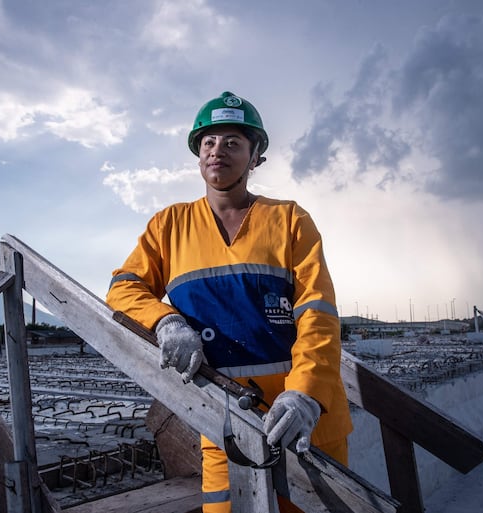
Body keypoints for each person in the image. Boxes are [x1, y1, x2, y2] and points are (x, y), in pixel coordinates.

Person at [106, 91, 352, 512]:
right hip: (222, 426)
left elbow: (318, 314)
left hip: (303, 425)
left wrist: (306, 394)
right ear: (198, 154)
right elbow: (124, 288)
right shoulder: (169, 226)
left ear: (255, 157)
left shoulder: (290, 220)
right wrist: (165, 321)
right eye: (209, 142)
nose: (218, 151)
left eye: (233, 143)